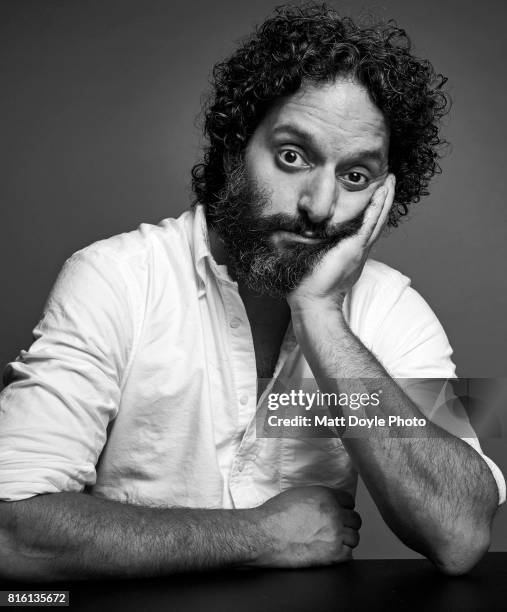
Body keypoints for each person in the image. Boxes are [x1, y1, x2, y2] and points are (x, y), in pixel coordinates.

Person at [0, 3, 504, 580]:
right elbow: (12, 534)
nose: (319, 205)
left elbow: (461, 535)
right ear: (233, 148)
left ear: (383, 196)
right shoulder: (114, 277)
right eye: (292, 156)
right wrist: (262, 535)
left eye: (354, 176)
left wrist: (321, 316)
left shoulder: (392, 306)